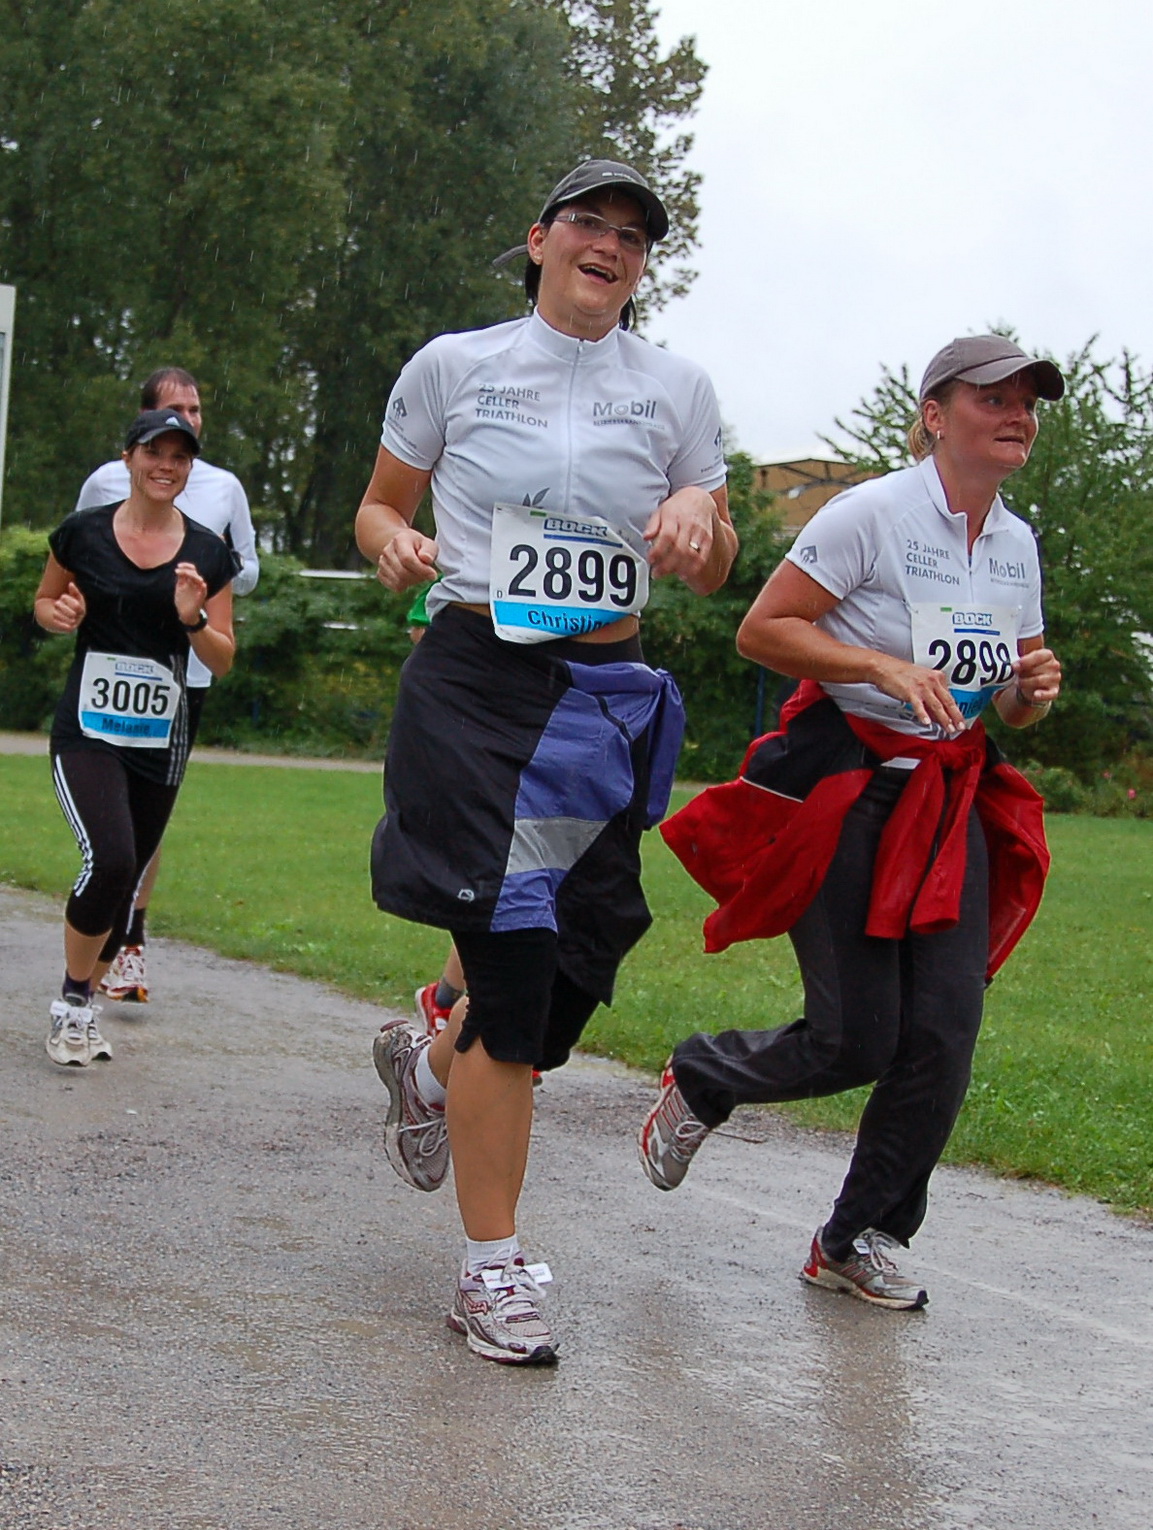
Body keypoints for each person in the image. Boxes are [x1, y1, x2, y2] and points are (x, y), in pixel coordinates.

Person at [356, 159, 738, 1364]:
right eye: (589, 223)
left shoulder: (675, 389)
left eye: (632, 235)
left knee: (579, 960)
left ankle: (429, 1057)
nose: (610, 245)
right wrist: (397, 542)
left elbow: (717, 557)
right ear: (539, 239)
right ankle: (491, 1268)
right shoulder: (455, 366)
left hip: (601, 699)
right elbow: (375, 508)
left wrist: (698, 526)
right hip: (476, 681)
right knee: (516, 977)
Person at [638, 335, 1063, 1311]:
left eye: (1027, 402)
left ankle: (854, 1236)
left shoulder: (1015, 542)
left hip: (946, 798)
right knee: (856, 1039)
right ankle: (706, 1074)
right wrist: (877, 667)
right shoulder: (871, 512)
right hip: (848, 790)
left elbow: (1013, 704)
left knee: (945, 1033)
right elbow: (763, 630)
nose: (1015, 415)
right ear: (932, 414)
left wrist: (1033, 689)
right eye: (991, 397)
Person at [35, 410, 238, 1064]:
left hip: (161, 734)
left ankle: (83, 1008)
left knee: (124, 887)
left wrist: (193, 616)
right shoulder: (83, 535)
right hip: (88, 729)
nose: (166, 467)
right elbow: (46, 603)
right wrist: (58, 614)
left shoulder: (208, 552)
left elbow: (224, 653)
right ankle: (71, 1001)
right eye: (155, 452)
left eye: (180, 457)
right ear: (128, 457)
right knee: (112, 858)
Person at [75, 367, 259, 1003]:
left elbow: (246, 565)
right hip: (109, 669)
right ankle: (105, 951)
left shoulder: (222, 486)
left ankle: (129, 940)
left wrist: (202, 586)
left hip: (188, 671)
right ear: (137, 440)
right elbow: (81, 562)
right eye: (175, 410)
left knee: (145, 822)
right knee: (112, 835)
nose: (190, 419)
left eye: (198, 409)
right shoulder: (104, 482)